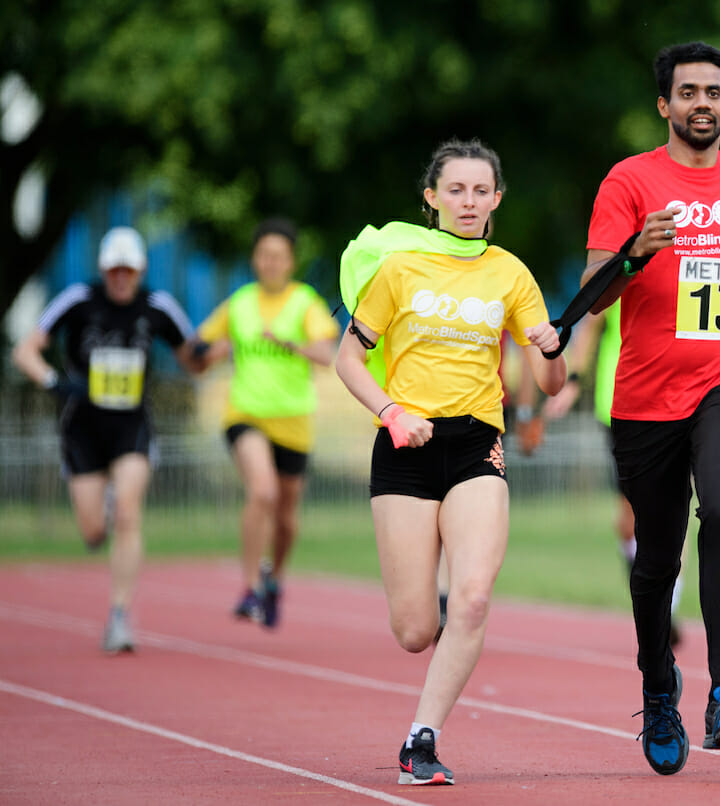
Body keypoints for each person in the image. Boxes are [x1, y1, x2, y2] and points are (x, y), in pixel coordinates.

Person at [581, 41, 720, 775]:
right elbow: (594, 294)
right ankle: (658, 687)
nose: (702, 103)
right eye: (688, 92)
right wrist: (635, 253)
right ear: (664, 106)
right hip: (644, 397)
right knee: (656, 558)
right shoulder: (629, 181)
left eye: (714, 93)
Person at [334, 138, 565, 786]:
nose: (469, 201)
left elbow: (549, 382)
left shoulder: (511, 274)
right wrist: (391, 413)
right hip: (406, 446)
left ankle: (421, 738)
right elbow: (347, 359)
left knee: (472, 598)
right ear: (431, 198)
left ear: (496, 198)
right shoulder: (399, 270)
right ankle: (430, 631)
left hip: (476, 444)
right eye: (455, 190)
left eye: (480, 190)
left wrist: (550, 348)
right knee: (415, 629)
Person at [11, 225, 201, 653]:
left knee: (129, 513)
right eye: (114, 270)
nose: (121, 278)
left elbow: (191, 356)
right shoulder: (78, 300)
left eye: (128, 271)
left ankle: (119, 616)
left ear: (140, 271)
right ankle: (99, 519)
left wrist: (214, 350)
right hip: (82, 427)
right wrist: (56, 382)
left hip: (132, 424)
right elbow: (25, 350)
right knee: (94, 529)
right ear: (103, 269)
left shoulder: (158, 306)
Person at [194, 218, 338, 628]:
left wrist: (290, 344)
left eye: (279, 256)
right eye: (264, 255)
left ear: (291, 261)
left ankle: (275, 579)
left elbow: (329, 356)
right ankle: (249, 587)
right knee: (262, 491)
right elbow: (200, 349)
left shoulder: (304, 302)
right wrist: (208, 354)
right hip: (246, 413)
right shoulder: (239, 303)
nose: (271, 263)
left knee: (287, 517)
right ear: (255, 260)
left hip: (293, 420)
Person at [542, 305, 684, 647]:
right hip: (621, 403)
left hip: (677, 399)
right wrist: (573, 380)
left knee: (675, 507)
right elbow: (590, 325)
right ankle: (643, 581)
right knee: (630, 517)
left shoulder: (687, 257)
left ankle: (667, 609)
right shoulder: (622, 261)